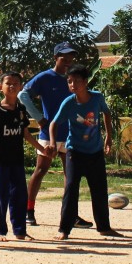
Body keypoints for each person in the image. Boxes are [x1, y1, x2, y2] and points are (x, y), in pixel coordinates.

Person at [19, 41, 92, 228]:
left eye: (71, 57)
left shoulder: (73, 80)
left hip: (71, 135)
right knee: (41, 170)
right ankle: (28, 211)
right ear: (55, 58)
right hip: (48, 134)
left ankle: (70, 215)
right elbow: (23, 95)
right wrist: (39, 118)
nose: (67, 60)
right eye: (63, 57)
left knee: (71, 175)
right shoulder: (45, 77)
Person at [51, 64, 122, 240]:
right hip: (74, 152)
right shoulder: (68, 103)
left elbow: (106, 113)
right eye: (69, 81)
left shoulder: (97, 98)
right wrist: (53, 143)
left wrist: (108, 136)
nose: (72, 84)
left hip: (95, 152)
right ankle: (64, 229)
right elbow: (54, 124)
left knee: (99, 189)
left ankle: (104, 227)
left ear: (85, 81)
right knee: (71, 188)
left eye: (76, 81)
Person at [0, 72, 51, 241]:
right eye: (8, 83)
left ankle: (20, 230)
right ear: (1, 87)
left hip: (17, 161)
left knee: (19, 195)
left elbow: (26, 134)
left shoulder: (21, 109)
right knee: (0, 195)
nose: (12, 86)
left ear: (21, 87)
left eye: (16, 83)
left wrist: (42, 149)